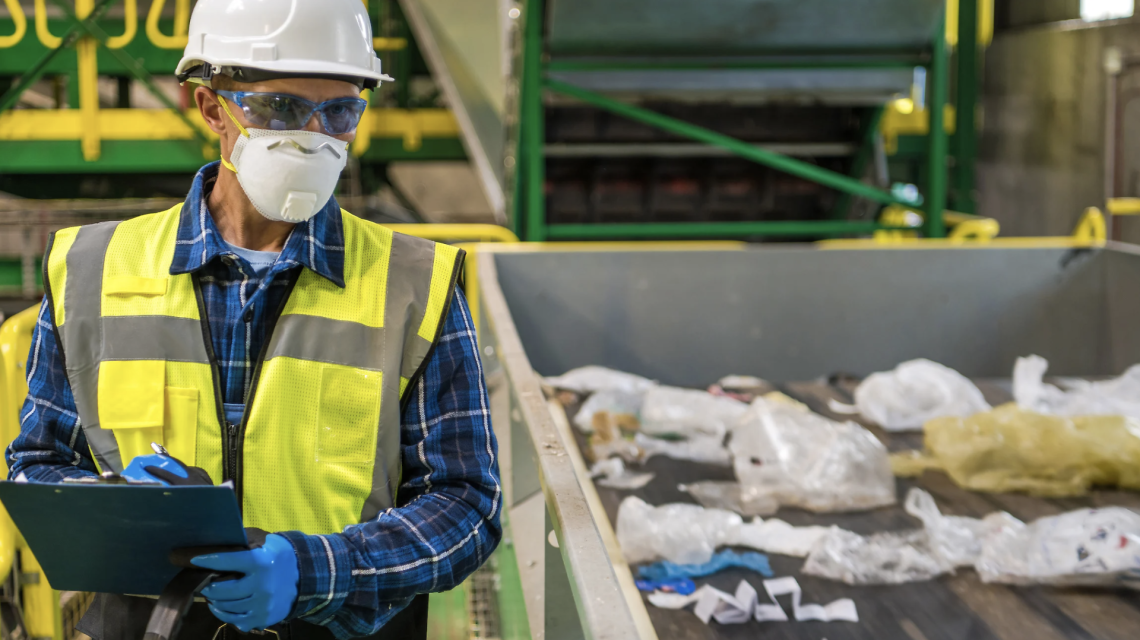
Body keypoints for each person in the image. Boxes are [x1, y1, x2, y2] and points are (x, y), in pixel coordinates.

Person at [5, 0, 501, 638]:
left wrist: (314, 568)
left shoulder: (413, 285)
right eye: (281, 107)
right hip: (151, 621)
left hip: (333, 622)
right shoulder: (94, 270)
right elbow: (38, 463)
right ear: (212, 106)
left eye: (341, 111)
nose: (314, 134)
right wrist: (107, 500)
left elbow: (467, 504)